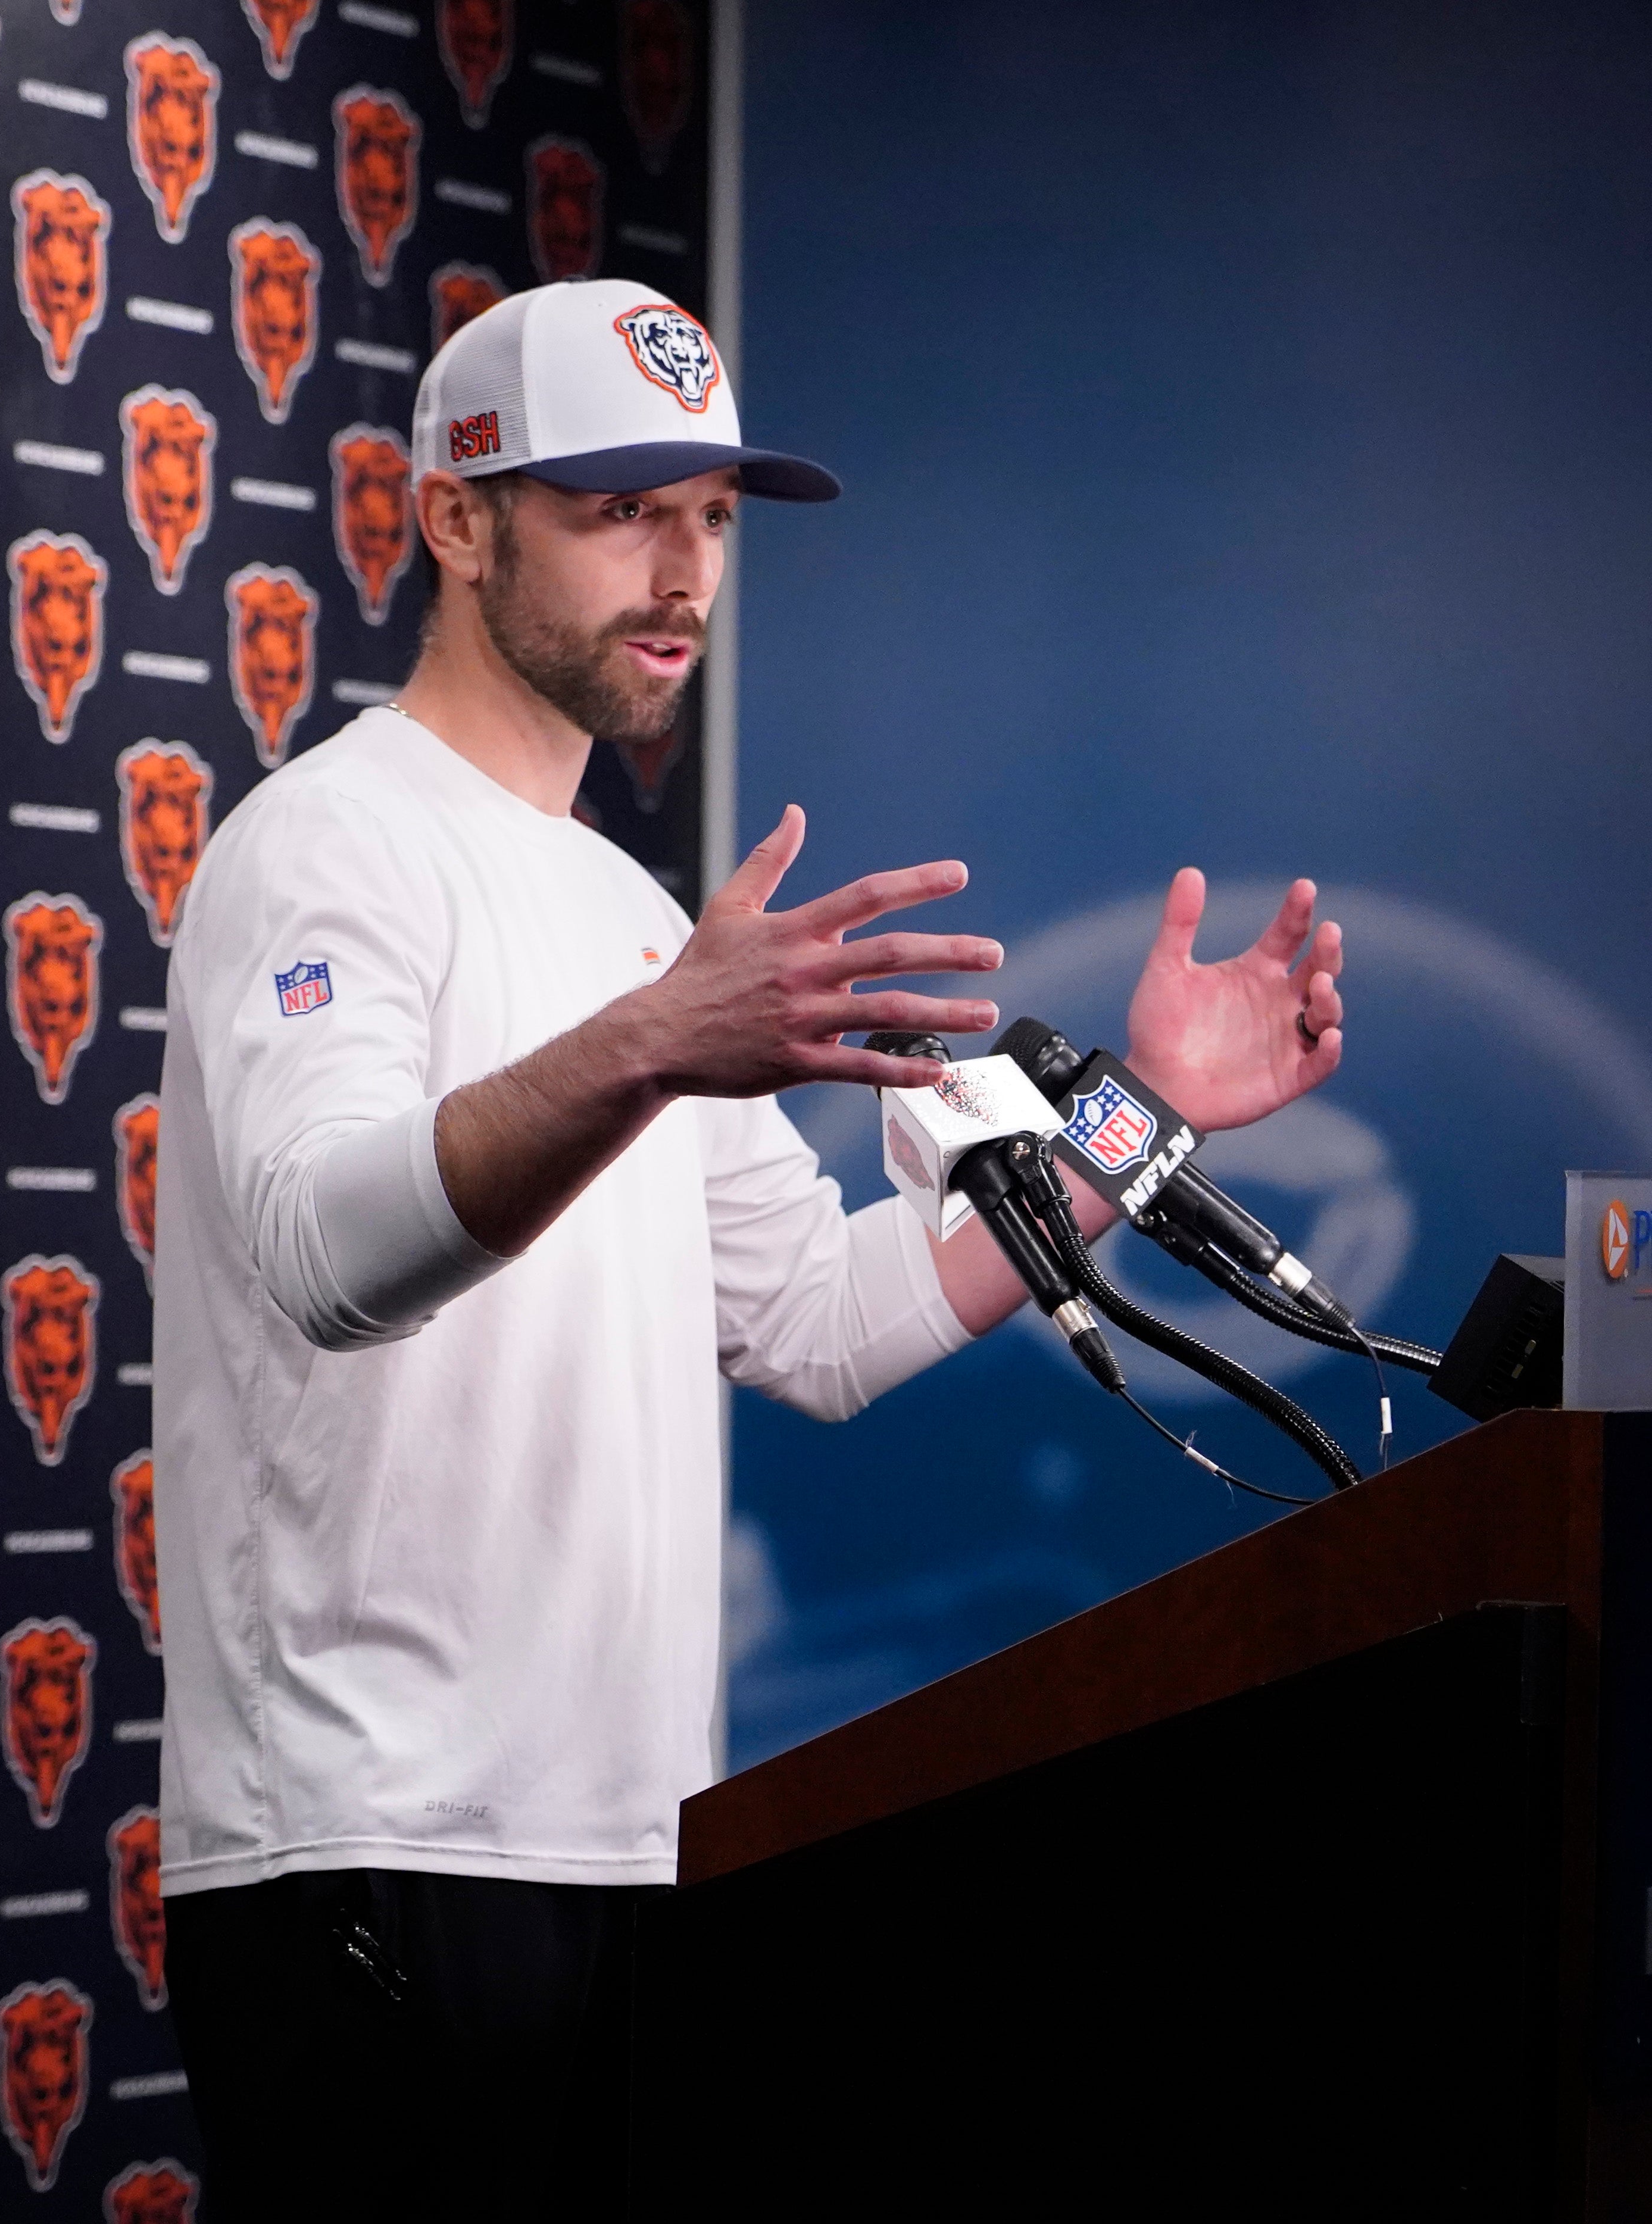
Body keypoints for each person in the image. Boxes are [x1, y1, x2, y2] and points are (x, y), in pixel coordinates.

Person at [151, 279, 1347, 2217]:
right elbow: (320, 1254)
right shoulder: (327, 847)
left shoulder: (631, 911)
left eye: (710, 514)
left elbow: (813, 1318)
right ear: (456, 522)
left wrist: (1143, 1119)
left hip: (632, 1847)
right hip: (373, 1856)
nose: (683, 568)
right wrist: (653, 1045)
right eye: (619, 508)